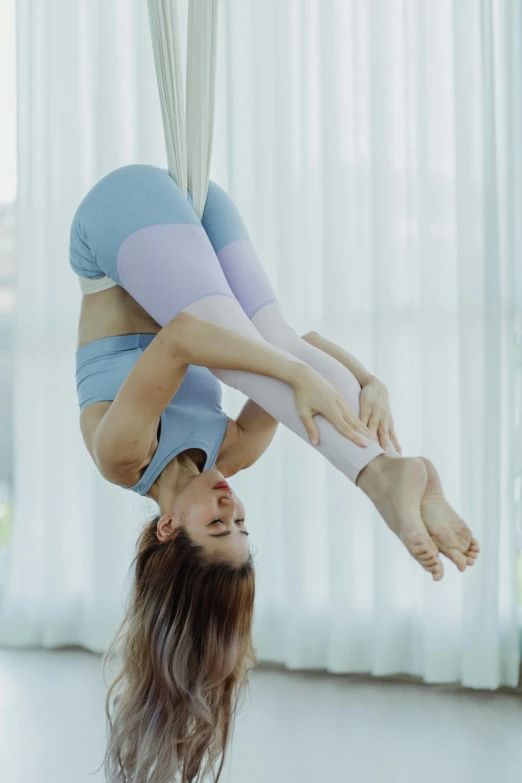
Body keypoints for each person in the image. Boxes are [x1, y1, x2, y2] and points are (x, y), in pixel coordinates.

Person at [71, 164, 480, 783]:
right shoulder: (230, 450)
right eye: (242, 524)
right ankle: (393, 469)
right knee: (274, 339)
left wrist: (293, 375)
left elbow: (183, 338)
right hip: (198, 213)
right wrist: (368, 380)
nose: (233, 506)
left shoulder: (122, 454)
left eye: (217, 525)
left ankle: (381, 479)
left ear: (168, 530)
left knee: (249, 355)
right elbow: (299, 345)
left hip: (117, 221)